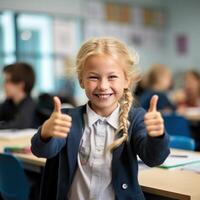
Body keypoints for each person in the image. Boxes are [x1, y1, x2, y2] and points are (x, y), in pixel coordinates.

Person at [31, 37, 170, 200]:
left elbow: (154, 158)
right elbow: (43, 151)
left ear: (127, 80)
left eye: (112, 77)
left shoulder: (136, 118)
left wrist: (157, 137)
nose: (103, 86)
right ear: (81, 80)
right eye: (94, 77)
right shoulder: (68, 119)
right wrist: (46, 134)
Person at [0, 62, 36, 129]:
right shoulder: (9, 103)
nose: (4, 85)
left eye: (7, 81)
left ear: (20, 85)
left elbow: (20, 125)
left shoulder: (29, 104)